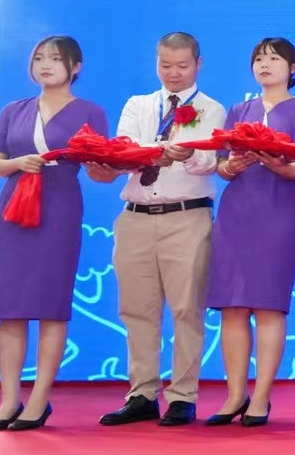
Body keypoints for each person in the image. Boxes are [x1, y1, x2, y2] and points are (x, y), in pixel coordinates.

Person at [95, 32, 224, 428]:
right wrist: (148, 154)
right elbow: (123, 149)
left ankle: (183, 396)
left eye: (182, 66)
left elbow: (209, 162)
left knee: (187, 309)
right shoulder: (138, 104)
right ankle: (142, 393)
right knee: (137, 309)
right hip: (135, 216)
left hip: (187, 217)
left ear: (198, 64)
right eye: (166, 65)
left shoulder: (212, 109)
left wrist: (186, 155)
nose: (173, 73)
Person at [0, 37, 108, 431]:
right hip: (13, 211)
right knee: (10, 307)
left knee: (51, 306)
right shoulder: (13, 110)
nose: (45, 64)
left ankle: (38, 401)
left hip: (58, 208)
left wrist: (109, 167)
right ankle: (8, 401)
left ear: (76, 67)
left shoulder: (90, 112)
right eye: (39, 58)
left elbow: (100, 169)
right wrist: (18, 162)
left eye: (55, 58)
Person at [204, 38, 295, 428]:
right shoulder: (239, 111)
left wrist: (275, 163)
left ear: (293, 68)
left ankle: (262, 397)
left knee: (268, 305)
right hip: (236, 214)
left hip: (277, 212)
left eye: (273, 58)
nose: (264, 64)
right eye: (259, 59)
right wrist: (231, 167)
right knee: (233, 306)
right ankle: (235, 394)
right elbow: (222, 166)